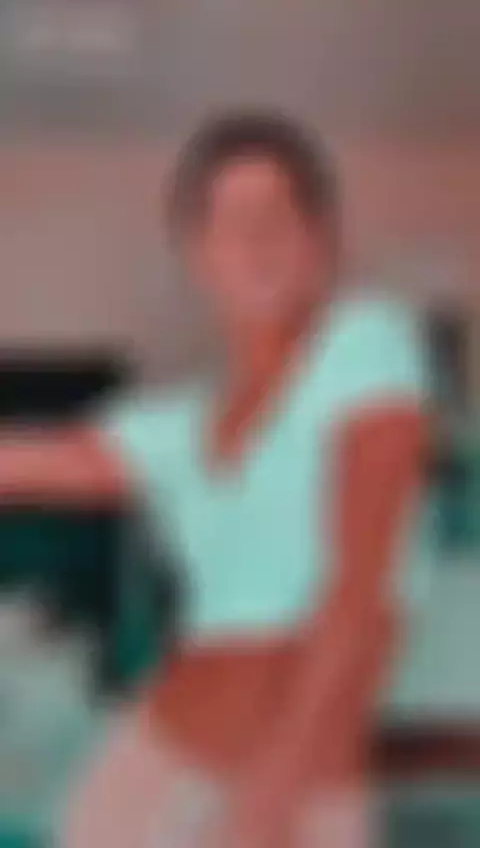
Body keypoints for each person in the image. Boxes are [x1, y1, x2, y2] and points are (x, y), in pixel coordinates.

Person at [0, 112, 432, 847]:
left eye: (277, 216)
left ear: (320, 241)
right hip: (151, 764)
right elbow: (27, 462)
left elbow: (358, 598)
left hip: (297, 783)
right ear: (198, 255)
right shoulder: (176, 426)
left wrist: (268, 798)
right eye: (230, 223)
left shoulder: (366, 346)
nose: (255, 241)